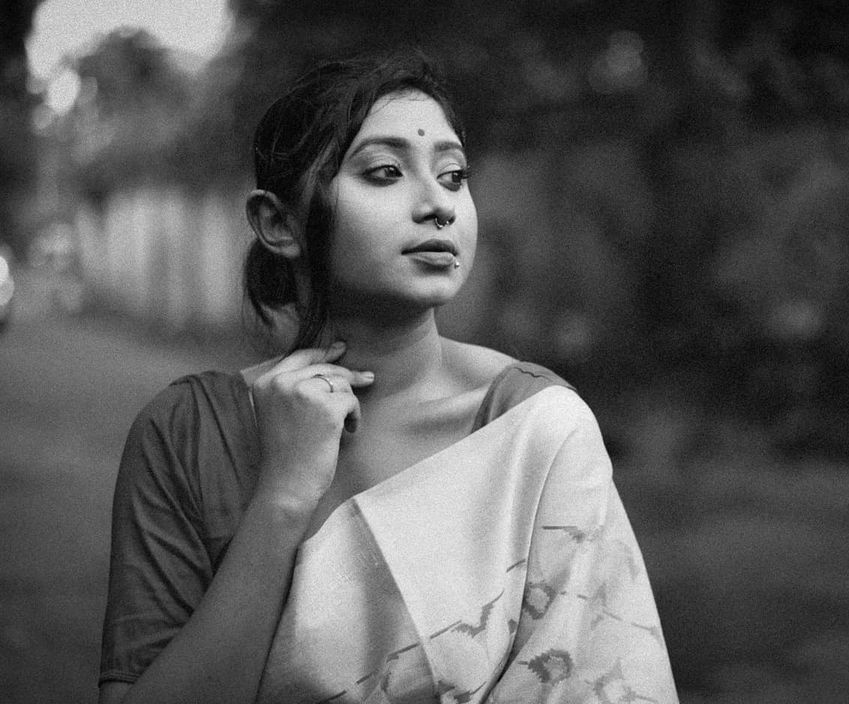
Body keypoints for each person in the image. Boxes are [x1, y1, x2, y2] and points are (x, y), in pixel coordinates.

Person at [98, 53, 677, 704]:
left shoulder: (531, 430)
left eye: (454, 176)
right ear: (279, 224)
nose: (438, 205)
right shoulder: (187, 435)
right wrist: (282, 498)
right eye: (385, 172)